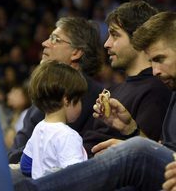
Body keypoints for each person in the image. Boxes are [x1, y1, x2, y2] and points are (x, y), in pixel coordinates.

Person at [14, 11, 176, 191]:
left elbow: (150, 154)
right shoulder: (166, 90)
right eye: (153, 61)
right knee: (11, 176)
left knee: (137, 149)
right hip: (91, 168)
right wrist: (131, 129)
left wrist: (128, 147)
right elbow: (162, 150)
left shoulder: (155, 89)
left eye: (160, 59)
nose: (155, 70)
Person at [8, 17, 103, 163]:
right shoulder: (47, 90)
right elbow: (15, 155)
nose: (45, 43)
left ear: (76, 52)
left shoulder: (97, 99)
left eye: (55, 39)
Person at [83, 0, 171, 157]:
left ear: (138, 38)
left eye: (115, 35)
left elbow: (152, 158)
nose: (107, 44)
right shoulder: (112, 90)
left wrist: (130, 133)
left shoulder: (157, 89)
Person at [20, 60, 88, 179]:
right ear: (66, 100)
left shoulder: (39, 128)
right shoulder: (68, 136)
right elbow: (77, 179)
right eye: (80, 99)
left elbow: (25, 165)